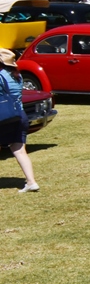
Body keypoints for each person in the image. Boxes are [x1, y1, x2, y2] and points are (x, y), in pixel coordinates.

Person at [0, 48, 38, 193]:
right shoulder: (17, 75)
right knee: (19, 149)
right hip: (19, 114)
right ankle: (31, 182)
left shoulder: (1, 76)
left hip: (3, 116)